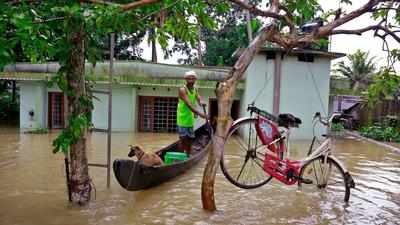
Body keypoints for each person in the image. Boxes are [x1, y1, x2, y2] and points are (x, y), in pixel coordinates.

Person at [177, 70, 207, 155]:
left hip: (190, 119)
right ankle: (181, 157)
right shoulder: (182, 90)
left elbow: (198, 98)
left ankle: (188, 155)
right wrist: (201, 114)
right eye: (189, 78)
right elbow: (189, 105)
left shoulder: (195, 89)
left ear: (195, 80)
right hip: (182, 118)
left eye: (193, 78)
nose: (191, 80)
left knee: (190, 139)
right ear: (185, 79)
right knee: (183, 139)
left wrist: (201, 102)